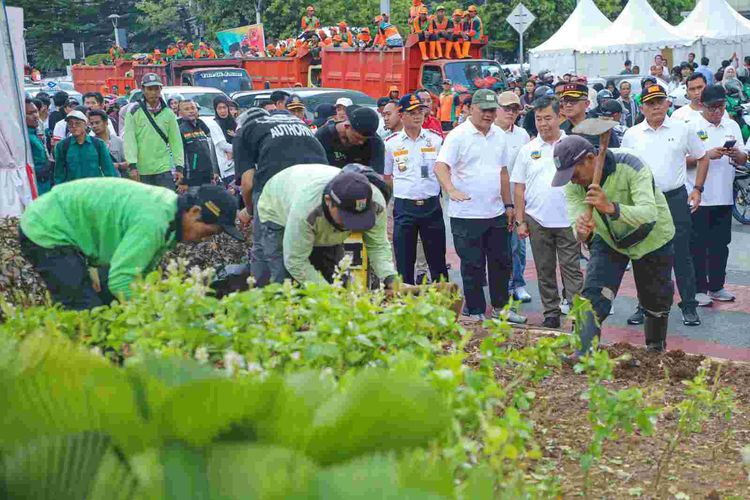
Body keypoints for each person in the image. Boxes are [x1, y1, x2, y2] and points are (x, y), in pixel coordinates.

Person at [19, 179, 242, 309]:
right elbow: (121, 281)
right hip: (48, 227)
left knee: (105, 301)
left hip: (71, 231)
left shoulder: (170, 217)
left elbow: (138, 276)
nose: (206, 239)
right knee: (87, 312)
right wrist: (154, 314)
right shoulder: (154, 221)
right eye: (209, 232)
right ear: (194, 213)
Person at [551, 136, 676, 355]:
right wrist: (581, 231)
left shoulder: (631, 164)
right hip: (609, 240)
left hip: (652, 238)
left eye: (574, 174)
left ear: (590, 159)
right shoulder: (574, 186)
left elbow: (649, 212)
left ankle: (655, 351)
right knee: (592, 297)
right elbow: (576, 222)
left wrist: (611, 207)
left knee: (655, 300)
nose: (572, 181)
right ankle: (583, 353)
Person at [434, 89, 526, 324]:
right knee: (472, 265)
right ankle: (475, 310)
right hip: (466, 214)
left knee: (501, 263)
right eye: (483, 109)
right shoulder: (458, 135)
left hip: (495, 212)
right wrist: (451, 189)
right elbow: (441, 166)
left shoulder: (498, 135)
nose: (488, 114)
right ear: (470, 109)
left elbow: (503, 172)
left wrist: (508, 205)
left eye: (492, 110)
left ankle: (500, 309)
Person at [621, 83, 708, 326]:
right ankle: (644, 305)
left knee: (682, 255)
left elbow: (702, 158)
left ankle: (689, 306)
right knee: (644, 256)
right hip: (644, 201)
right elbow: (625, 171)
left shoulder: (683, 129)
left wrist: (698, 190)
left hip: (675, 198)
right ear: (642, 107)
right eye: (650, 103)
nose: (656, 106)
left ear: (668, 103)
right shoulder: (632, 134)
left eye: (660, 101)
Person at [256, 165, 398, 285]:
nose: (351, 225)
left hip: (319, 216)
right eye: (347, 217)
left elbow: (378, 244)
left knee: (338, 281)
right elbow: (295, 261)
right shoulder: (306, 210)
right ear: (329, 200)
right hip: (277, 207)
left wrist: (389, 277)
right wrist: (325, 293)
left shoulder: (375, 202)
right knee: (285, 281)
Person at [233, 107, 328, 286]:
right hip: (319, 186)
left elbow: (248, 183)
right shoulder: (297, 123)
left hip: (276, 190)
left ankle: (271, 302)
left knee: (265, 248)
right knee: (312, 246)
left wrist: (251, 210)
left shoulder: (244, 131)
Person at [512, 97, 583, 328]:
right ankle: (550, 312)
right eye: (538, 119)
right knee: (544, 269)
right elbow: (519, 187)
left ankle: (576, 312)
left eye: (548, 118)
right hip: (537, 219)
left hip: (568, 218)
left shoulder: (573, 144)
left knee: (571, 269)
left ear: (560, 117)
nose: (543, 124)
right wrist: (521, 221)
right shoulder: (528, 150)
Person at [689, 85, 746, 306]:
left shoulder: (731, 124)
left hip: (724, 195)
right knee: (698, 245)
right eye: (713, 108)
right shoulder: (690, 126)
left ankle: (716, 286)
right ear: (702, 105)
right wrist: (706, 156)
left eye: (721, 107)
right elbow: (682, 160)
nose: (717, 112)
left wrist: (736, 153)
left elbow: (743, 159)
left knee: (720, 244)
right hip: (698, 196)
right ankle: (698, 289)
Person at [383, 94, 448, 284]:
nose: (417, 116)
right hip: (404, 207)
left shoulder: (435, 140)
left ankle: (443, 303)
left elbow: (444, 170)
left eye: (420, 111)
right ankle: (405, 305)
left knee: (437, 261)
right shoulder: (391, 143)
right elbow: (387, 177)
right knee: (404, 261)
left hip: (431, 206)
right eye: (412, 113)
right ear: (402, 115)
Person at [495, 91, 532, 303]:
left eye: (514, 109)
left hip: (516, 195)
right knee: (496, 246)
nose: (510, 112)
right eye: (506, 108)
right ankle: (500, 285)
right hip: (493, 197)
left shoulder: (522, 135)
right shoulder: (488, 133)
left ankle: (518, 283)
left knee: (517, 243)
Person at [123, 73, 183, 188]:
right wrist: (132, 165)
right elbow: (129, 140)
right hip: (142, 169)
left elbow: (176, 142)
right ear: (143, 89)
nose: (153, 92)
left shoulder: (168, 113)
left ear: (161, 89)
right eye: (150, 89)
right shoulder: (134, 112)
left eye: (156, 88)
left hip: (164, 168)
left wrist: (179, 166)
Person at [53, 110, 118, 186]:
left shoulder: (98, 144)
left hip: (94, 190)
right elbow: (59, 173)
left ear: (86, 125)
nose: (74, 126)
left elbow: (109, 170)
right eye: (70, 124)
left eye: (77, 123)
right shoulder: (62, 146)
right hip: (73, 191)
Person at [315, 105, 385, 173]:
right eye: (358, 138)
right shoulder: (323, 136)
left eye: (365, 140)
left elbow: (378, 174)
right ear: (347, 126)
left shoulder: (375, 141)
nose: (361, 142)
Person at [176, 100, 219, 193]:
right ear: (180, 113)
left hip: (207, 178)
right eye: (187, 109)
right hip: (191, 180)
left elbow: (208, 153)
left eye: (193, 108)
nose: (191, 111)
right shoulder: (180, 130)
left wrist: (212, 174)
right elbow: (179, 156)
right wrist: (183, 181)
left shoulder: (202, 127)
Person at [560, 83, 620, 148]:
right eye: (565, 101)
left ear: (587, 104)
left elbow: (615, 153)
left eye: (573, 101)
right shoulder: (561, 129)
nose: (568, 105)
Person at [88, 110, 128, 177]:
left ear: (106, 122)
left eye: (97, 123)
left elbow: (129, 163)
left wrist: (117, 165)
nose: (94, 126)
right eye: (92, 124)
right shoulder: (89, 143)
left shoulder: (118, 141)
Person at [207, 95, 237, 182]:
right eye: (219, 108)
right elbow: (221, 145)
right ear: (215, 110)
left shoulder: (235, 122)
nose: (222, 111)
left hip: (239, 165)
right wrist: (239, 149)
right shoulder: (214, 124)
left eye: (224, 107)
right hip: (227, 168)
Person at [26, 98, 52, 195]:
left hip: (44, 184)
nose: (35, 116)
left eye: (36, 112)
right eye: (30, 113)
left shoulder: (34, 133)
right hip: (34, 187)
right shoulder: (24, 137)